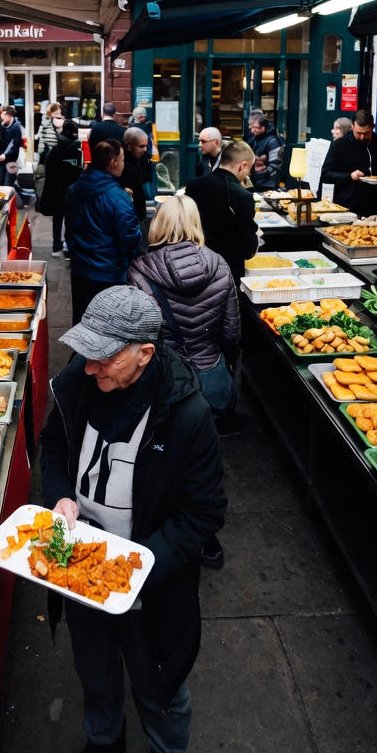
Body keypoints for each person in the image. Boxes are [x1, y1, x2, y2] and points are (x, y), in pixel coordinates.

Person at [40, 285, 226, 753]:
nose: (89, 367)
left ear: (145, 353)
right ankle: (104, 743)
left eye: (104, 357)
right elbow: (54, 445)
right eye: (86, 353)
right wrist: (59, 496)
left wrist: (133, 567)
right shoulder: (78, 384)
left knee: (156, 680)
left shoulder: (187, 415)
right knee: (94, 668)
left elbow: (203, 514)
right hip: (77, 569)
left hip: (151, 586)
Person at [128, 195, 239, 567]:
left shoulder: (140, 270)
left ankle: (162, 536)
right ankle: (206, 540)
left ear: (158, 225)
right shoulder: (220, 265)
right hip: (209, 378)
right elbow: (231, 331)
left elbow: (140, 337)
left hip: (164, 383)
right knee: (205, 463)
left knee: (162, 459)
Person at [64, 139, 142, 322]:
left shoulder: (74, 190)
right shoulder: (118, 198)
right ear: (114, 163)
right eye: (122, 160)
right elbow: (130, 238)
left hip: (80, 270)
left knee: (83, 323)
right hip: (110, 273)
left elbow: (70, 228)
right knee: (109, 330)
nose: (123, 164)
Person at [185, 140, 259, 284]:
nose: (248, 174)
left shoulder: (193, 185)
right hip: (227, 272)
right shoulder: (242, 195)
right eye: (249, 169)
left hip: (193, 265)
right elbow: (248, 248)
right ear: (243, 165)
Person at [319, 108, 377, 216]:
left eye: (366, 133)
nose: (362, 137)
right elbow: (326, 174)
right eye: (358, 133)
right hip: (348, 206)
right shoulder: (340, 145)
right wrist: (349, 176)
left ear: (373, 126)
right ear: (352, 127)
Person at [38, 115, 83, 256]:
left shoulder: (55, 150)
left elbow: (48, 169)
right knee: (71, 219)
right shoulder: (77, 150)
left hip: (57, 190)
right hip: (72, 190)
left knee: (57, 219)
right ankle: (69, 247)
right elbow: (78, 171)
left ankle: (56, 246)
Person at [119, 126, 151, 246]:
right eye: (141, 146)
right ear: (129, 145)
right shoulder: (124, 166)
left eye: (146, 146)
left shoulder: (137, 161)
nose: (145, 150)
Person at [247, 112, 284, 191]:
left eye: (255, 127)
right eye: (251, 127)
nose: (252, 130)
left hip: (267, 184)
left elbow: (276, 166)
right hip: (257, 181)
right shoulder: (255, 139)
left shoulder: (273, 141)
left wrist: (259, 172)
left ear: (263, 128)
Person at [0, 105, 23, 186]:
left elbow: (13, 143)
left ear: (9, 115)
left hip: (10, 159)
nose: (1, 116)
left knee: (8, 183)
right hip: (2, 158)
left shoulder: (16, 126)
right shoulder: (3, 125)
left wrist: (5, 153)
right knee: (0, 182)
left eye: (4, 114)